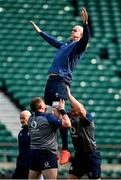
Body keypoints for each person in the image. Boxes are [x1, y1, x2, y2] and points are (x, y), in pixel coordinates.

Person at [30, 7, 90, 165]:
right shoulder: (65, 45)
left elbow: (85, 40)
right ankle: (52, 148)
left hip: (61, 81)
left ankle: (65, 148)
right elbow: (53, 41)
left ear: (81, 34)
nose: (73, 31)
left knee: (60, 112)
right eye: (73, 29)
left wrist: (85, 24)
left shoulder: (78, 47)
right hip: (51, 81)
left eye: (77, 30)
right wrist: (40, 32)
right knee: (50, 114)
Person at [28, 97, 71, 179]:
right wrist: (62, 109)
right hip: (47, 153)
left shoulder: (30, 119)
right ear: (41, 106)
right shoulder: (48, 118)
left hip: (34, 153)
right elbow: (67, 124)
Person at [66, 86, 101, 179]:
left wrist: (69, 95)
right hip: (79, 155)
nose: (72, 112)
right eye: (71, 109)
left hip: (91, 154)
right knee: (71, 177)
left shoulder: (87, 117)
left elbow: (81, 111)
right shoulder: (70, 116)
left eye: (74, 110)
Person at [12, 110, 31, 179]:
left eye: (23, 118)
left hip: (31, 166)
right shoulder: (21, 133)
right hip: (21, 165)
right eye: (20, 118)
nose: (21, 120)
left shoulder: (35, 131)